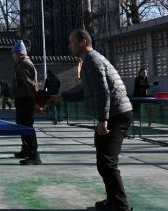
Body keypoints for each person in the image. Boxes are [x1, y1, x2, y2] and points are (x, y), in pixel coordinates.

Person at [51, 29, 134, 211]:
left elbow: (103, 91)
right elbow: (85, 90)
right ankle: (113, 200)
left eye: (71, 42)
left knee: (107, 162)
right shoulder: (88, 61)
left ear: (82, 42)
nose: (69, 46)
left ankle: (120, 205)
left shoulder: (93, 60)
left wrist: (103, 120)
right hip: (113, 114)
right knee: (103, 162)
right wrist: (60, 97)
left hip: (116, 114)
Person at [12, 40, 41, 165]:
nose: (12, 56)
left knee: (27, 126)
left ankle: (34, 155)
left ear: (19, 53)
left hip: (26, 100)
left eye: (13, 53)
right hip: (22, 99)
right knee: (22, 125)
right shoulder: (21, 64)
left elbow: (31, 85)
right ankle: (26, 149)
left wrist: (37, 102)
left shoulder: (24, 64)